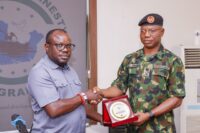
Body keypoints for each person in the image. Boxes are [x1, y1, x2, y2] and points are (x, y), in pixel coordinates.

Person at [94, 13, 185, 133]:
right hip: (134, 128)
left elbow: (177, 98)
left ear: (162, 32)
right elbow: (119, 88)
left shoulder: (172, 60)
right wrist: (102, 92)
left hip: (161, 128)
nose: (147, 35)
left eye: (152, 31)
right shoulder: (130, 59)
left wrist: (149, 114)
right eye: (143, 31)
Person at [27, 28, 102, 133]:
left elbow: (77, 105)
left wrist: (104, 119)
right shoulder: (39, 72)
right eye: (59, 45)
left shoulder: (70, 70)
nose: (65, 49)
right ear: (47, 47)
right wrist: (84, 96)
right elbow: (54, 109)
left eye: (68, 46)